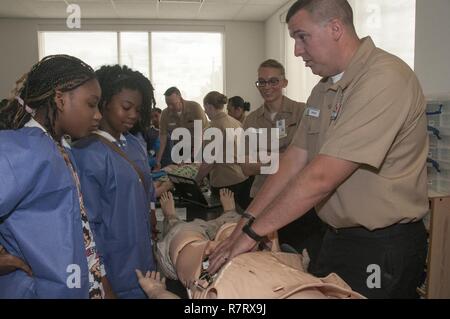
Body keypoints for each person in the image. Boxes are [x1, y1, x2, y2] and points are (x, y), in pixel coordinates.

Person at [208, 0, 428, 299]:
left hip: (381, 244)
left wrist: (251, 234)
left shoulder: (384, 78)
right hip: (335, 237)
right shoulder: (323, 89)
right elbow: (293, 160)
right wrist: (245, 221)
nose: (297, 51)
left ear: (335, 28)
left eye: (302, 36)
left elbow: (321, 176)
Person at [0, 55, 114, 298]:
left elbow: (81, 233)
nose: (98, 116)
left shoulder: (58, 147)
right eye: (91, 104)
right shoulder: (24, 149)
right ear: (60, 99)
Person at [135, 190, 365, 299]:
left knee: (182, 234)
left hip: (202, 255)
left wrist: (156, 291)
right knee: (238, 225)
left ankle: (174, 218)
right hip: (256, 250)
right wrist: (297, 266)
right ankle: (228, 214)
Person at [72, 65, 157, 298]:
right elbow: (88, 225)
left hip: (144, 258)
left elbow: (147, 189)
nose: (133, 115)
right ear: (104, 102)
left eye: (138, 110)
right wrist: (101, 277)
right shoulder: (87, 152)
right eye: (126, 107)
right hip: (115, 266)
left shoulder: (135, 142)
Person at [243, 59, 324, 260]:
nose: (267, 87)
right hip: (264, 199)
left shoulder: (302, 111)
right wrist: (288, 158)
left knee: (303, 257)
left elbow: (312, 157)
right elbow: (246, 167)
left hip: (299, 198)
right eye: (262, 82)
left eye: (273, 81)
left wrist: (266, 159)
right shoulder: (252, 120)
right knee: (271, 260)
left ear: (284, 82)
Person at [195, 91, 252, 210]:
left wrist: (196, 180)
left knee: (226, 222)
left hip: (225, 183)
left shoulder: (213, 128)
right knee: (242, 219)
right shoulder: (236, 122)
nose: (205, 112)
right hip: (243, 178)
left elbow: (208, 162)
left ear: (210, 106)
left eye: (205, 109)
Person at [155, 87, 208, 170]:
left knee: (197, 174)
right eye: (167, 104)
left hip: (202, 145)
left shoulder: (195, 108)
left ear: (180, 97)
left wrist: (192, 158)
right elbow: (162, 139)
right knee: (179, 174)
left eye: (172, 104)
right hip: (182, 147)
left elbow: (199, 135)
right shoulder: (165, 114)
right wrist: (158, 161)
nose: (170, 107)